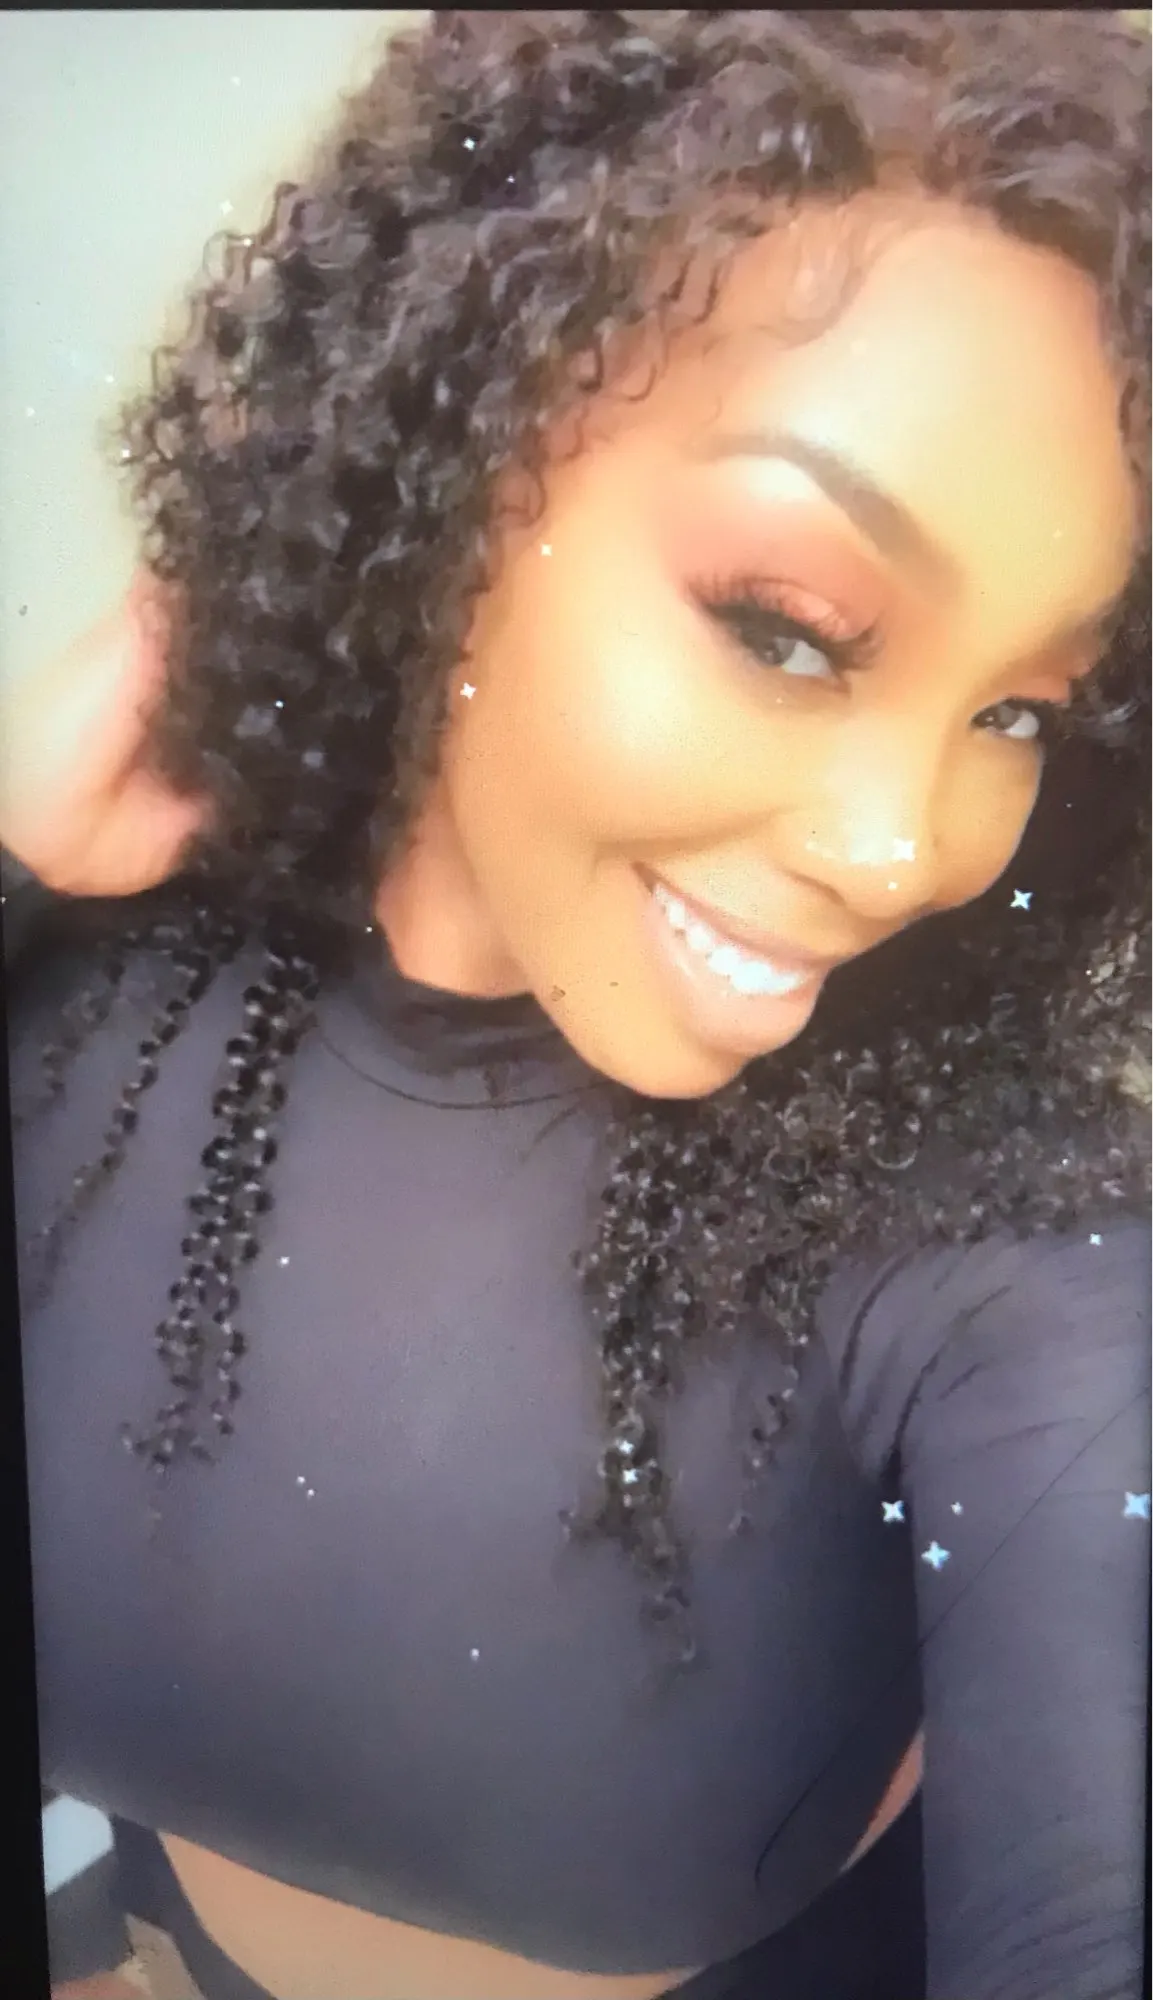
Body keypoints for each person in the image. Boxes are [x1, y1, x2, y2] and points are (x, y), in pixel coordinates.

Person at [5, 11, 1150, 2000]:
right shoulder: (83, 1001)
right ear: (455, 464)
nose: (904, 849)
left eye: (1018, 710)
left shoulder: (1004, 1247)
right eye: (792, 629)